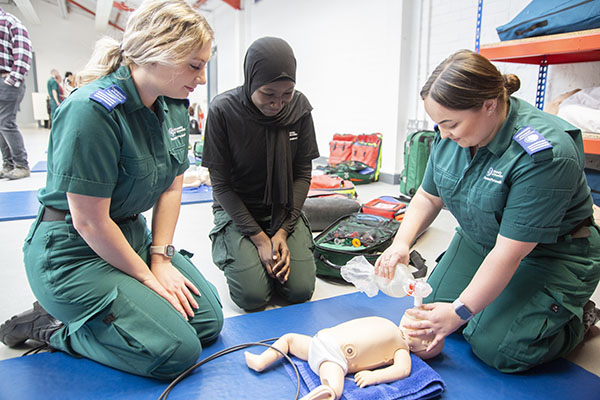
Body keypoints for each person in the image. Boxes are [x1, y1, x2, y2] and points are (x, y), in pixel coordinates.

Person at [0, 0, 223, 380]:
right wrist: (149, 278)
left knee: (207, 323)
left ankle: (108, 313)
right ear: (156, 54)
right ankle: (55, 329)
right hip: (73, 253)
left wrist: (161, 258)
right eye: (195, 65)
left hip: (129, 235)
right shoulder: (92, 110)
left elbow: (172, 184)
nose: (202, 78)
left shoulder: (173, 104)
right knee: (177, 352)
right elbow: (89, 222)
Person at [375, 49, 600, 373]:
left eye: (450, 124)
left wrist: (459, 313)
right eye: (438, 124)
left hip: (551, 252)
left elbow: (508, 255)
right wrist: (401, 244)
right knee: (429, 309)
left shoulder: (544, 154)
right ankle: (501, 307)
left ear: (489, 105)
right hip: (481, 238)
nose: (443, 134)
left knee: (498, 347)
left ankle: (577, 319)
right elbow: (427, 196)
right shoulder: (453, 134)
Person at [202, 37, 319, 311]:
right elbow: (220, 185)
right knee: (253, 298)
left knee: (300, 290)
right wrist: (258, 238)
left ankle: (273, 255)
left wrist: (281, 232)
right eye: (268, 94)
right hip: (238, 210)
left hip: (282, 210)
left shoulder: (299, 108)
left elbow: (302, 174)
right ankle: (240, 252)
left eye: (286, 93)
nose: (278, 103)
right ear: (251, 81)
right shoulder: (223, 110)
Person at [244, 315, 443, 400]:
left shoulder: (402, 349)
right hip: (320, 341)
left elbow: (402, 371)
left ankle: (321, 394)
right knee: (288, 339)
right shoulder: (390, 324)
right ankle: (262, 361)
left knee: (334, 387)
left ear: (425, 344)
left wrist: (374, 377)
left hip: (335, 358)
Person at [0, 7, 32, 180]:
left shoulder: (10, 22)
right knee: (0, 126)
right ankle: (8, 164)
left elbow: (23, 53)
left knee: (6, 123)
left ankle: (21, 164)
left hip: (6, 80)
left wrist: (13, 79)